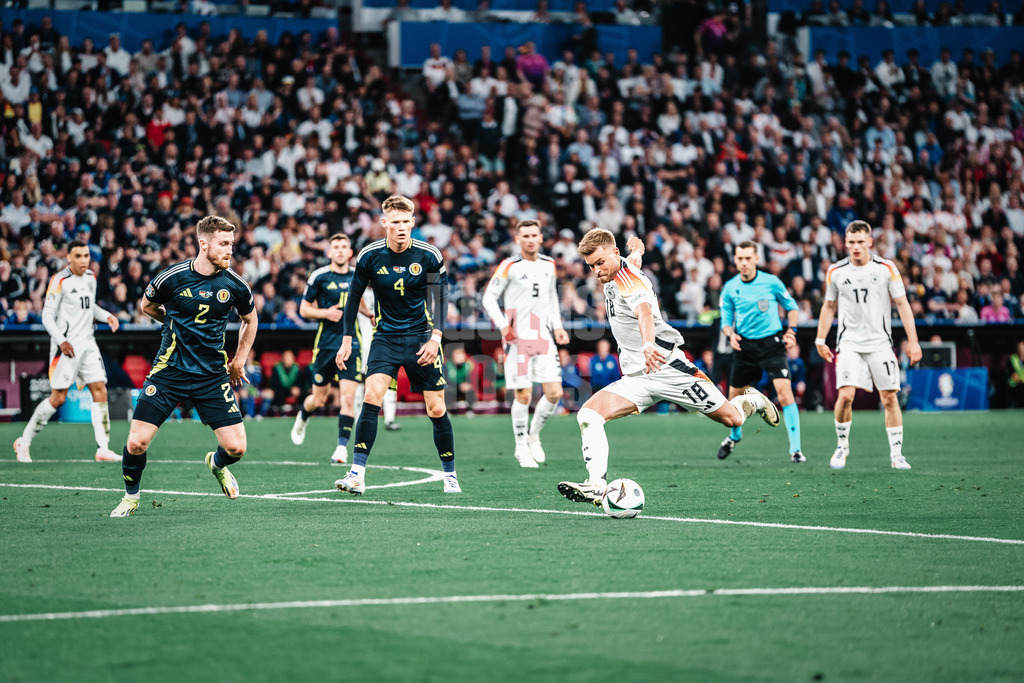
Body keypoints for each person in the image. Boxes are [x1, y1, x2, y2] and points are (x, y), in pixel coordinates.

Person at [558, 229, 779, 505]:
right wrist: (637, 251)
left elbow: (644, 312)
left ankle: (753, 400)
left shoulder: (629, 280)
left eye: (600, 263)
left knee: (731, 418)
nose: (596, 271)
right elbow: (632, 262)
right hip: (637, 378)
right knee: (589, 414)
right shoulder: (618, 270)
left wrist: (648, 345)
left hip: (668, 368)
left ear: (614, 253)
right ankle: (595, 484)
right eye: (591, 266)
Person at [110, 216, 258, 517]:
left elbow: (250, 319)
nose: (230, 250)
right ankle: (131, 497)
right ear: (203, 244)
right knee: (136, 442)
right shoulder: (172, 278)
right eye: (223, 244)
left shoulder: (235, 285)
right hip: (169, 372)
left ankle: (216, 465)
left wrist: (239, 358)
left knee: (237, 449)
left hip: (212, 376)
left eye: (231, 244)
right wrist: (172, 322)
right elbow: (147, 306)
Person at [335, 195, 459, 494]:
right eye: (396, 222)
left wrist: (436, 337)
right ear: (384, 223)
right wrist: (347, 339)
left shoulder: (429, 254)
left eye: (407, 222)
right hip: (385, 338)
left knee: (436, 408)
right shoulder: (369, 255)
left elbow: (441, 298)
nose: (401, 227)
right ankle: (356, 474)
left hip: (421, 339)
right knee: (372, 397)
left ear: (413, 222)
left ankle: (450, 474)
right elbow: (352, 298)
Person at [815, 220, 922, 471]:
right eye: (851, 242)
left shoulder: (886, 268)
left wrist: (914, 341)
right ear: (845, 243)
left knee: (889, 398)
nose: (856, 247)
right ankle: (842, 446)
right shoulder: (836, 271)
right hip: (850, 344)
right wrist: (820, 339)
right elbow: (829, 306)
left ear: (870, 242)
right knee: (845, 396)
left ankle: (897, 455)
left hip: (880, 344)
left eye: (861, 242)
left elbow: (903, 304)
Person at [14, 240, 122, 463]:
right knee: (58, 398)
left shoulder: (91, 277)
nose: (84, 260)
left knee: (99, 389)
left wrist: (107, 316)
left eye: (86, 255)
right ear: (69, 258)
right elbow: (46, 316)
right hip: (67, 348)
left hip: (88, 344)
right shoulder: (59, 280)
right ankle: (24, 441)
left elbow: (89, 306)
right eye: (79, 256)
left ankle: (103, 448)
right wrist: (62, 341)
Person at [481, 218, 569, 468]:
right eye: (525, 236)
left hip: (543, 337)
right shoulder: (509, 265)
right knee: (524, 394)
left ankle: (534, 436)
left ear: (541, 238)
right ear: (517, 239)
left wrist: (558, 327)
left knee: (554, 393)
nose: (530, 239)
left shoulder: (549, 264)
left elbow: (551, 297)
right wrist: (503, 325)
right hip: (517, 339)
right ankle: (520, 446)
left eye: (534, 235)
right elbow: (489, 298)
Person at [717, 240, 805, 463]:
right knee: (733, 401)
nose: (744, 263)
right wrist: (730, 334)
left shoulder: (772, 282)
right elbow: (726, 321)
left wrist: (791, 331)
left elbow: (792, 307)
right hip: (744, 347)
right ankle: (734, 437)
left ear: (757, 259)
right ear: (735, 260)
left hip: (771, 345)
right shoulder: (730, 287)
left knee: (785, 394)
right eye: (740, 258)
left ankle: (796, 450)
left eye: (748, 258)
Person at [291, 234, 375, 464]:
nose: (339, 251)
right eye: (335, 247)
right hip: (326, 345)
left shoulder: (357, 275)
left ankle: (341, 448)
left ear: (350, 253)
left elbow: (358, 300)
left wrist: (368, 313)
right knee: (318, 399)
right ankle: (304, 416)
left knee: (348, 397)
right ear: (329, 252)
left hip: (351, 344)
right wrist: (325, 313)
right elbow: (304, 310)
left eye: (344, 247)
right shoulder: (319, 277)